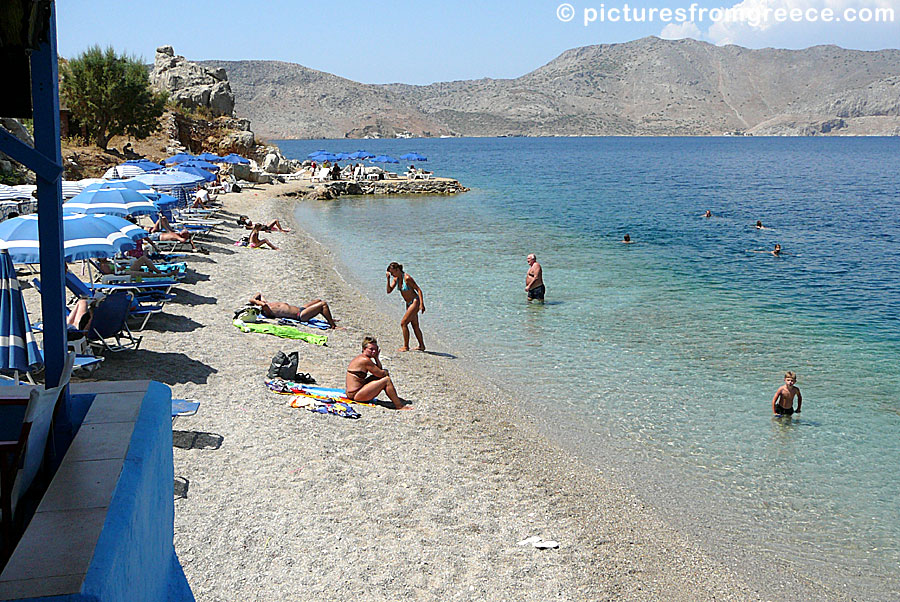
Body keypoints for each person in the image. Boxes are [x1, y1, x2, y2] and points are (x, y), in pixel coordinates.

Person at [345, 336, 407, 409]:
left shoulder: (362, 357)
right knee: (387, 380)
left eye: (375, 349)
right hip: (356, 394)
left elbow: (378, 372)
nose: (374, 351)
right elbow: (381, 373)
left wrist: (376, 358)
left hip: (352, 392)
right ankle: (399, 406)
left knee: (380, 377)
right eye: (371, 349)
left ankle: (394, 399)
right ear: (364, 349)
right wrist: (385, 371)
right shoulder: (365, 360)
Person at [386, 262, 425, 352]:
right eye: (391, 274)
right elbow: (388, 291)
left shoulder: (407, 278)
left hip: (415, 302)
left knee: (403, 323)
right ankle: (421, 346)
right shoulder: (396, 279)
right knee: (414, 325)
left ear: (397, 270)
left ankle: (406, 346)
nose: (392, 275)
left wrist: (422, 304)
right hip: (408, 303)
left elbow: (418, 290)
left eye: (392, 273)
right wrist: (388, 280)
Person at [249, 293, 340, 328]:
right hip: (300, 315)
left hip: (300, 308)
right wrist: (256, 302)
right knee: (323, 304)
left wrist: (253, 300)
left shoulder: (266, 305)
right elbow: (263, 304)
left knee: (318, 301)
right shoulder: (267, 311)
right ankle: (332, 325)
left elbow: (259, 294)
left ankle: (329, 317)